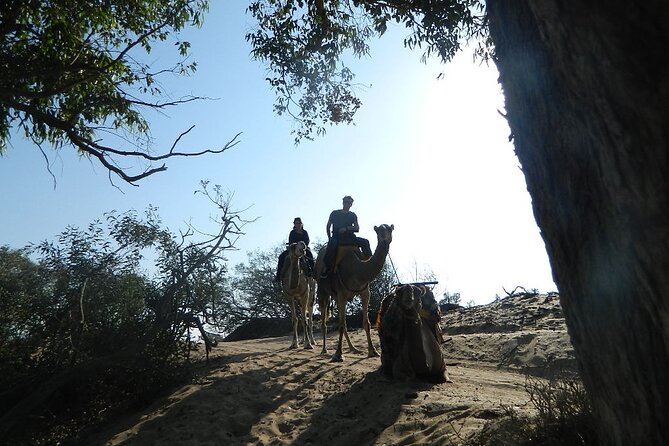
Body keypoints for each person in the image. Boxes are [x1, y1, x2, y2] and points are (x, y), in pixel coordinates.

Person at [321, 195, 372, 278]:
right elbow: (328, 225)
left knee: (365, 242)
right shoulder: (335, 213)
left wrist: (346, 228)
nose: (347, 204)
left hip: (350, 237)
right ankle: (327, 268)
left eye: (349, 203)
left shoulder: (353, 215)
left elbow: (357, 228)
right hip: (337, 237)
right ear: (343, 203)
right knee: (331, 246)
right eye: (346, 202)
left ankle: (369, 263)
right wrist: (329, 237)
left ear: (351, 204)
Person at [274, 217, 315, 281]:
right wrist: (295, 246)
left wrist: (302, 246)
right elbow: (291, 242)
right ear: (294, 224)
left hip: (303, 249)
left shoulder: (304, 232)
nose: (298, 224)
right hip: (293, 249)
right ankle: (278, 275)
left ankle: (313, 272)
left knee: (310, 256)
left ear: (301, 224)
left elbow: (307, 241)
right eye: (296, 223)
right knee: (281, 256)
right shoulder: (292, 232)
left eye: (299, 223)